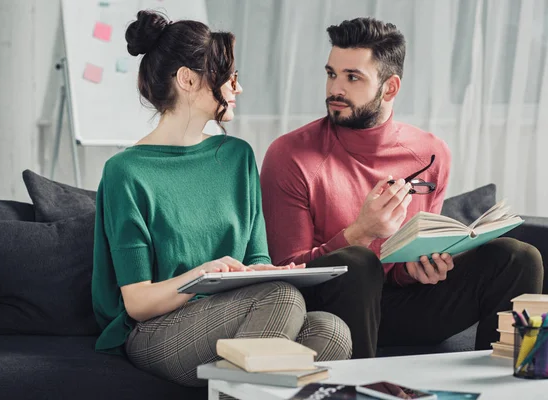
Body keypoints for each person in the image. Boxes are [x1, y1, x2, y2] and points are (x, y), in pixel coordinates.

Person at [91, 10, 352, 387]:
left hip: (239, 314)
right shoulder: (126, 172)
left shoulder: (238, 157)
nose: (237, 87)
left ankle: (238, 390)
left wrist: (264, 270)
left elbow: (256, 258)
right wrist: (204, 274)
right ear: (188, 79)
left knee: (331, 330)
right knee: (280, 299)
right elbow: (138, 302)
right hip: (155, 330)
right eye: (230, 77)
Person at [260, 17, 543, 359]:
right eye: (331, 73)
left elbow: (405, 262)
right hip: (330, 314)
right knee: (358, 261)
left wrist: (417, 270)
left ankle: (509, 384)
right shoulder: (290, 155)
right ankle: (360, 392)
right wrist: (360, 233)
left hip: (404, 309)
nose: (335, 89)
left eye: (352, 77)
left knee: (518, 256)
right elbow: (288, 274)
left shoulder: (431, 152)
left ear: (390, 88)